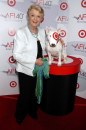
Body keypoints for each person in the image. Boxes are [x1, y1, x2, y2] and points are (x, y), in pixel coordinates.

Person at [12, 4, 47, 124]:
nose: (35, 19)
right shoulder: (21, 33)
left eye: (38, 16)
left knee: (35, 93)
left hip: (39, 69)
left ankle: (32, 111)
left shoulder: (42, 32)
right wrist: (34, 60)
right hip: (26, 70)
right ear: (28, 16)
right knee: (25, 95)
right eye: (33, 15)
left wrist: (57, 43)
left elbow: (44, 48)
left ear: (41, 19)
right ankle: (20, 114)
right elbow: (16, 55)